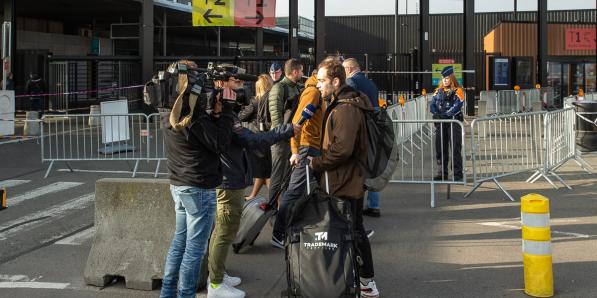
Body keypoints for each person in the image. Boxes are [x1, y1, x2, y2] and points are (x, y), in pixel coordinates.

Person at [207, 66, 301, 298]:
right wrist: (286, 131)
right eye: (235, 83)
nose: (240, 87)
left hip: (231, 178)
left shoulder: (225, 113)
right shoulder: (222, 115)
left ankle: (217, 274)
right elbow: (252, 140)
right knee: (224, 232)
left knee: (225, 231)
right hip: (228, 182)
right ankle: (216, 284)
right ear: (221, 85)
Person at [160, 60, 235, 298]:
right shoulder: (192, 115)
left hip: (179, 184)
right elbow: (219, 143)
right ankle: (185, 295)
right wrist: (228, 112)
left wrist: (213, 114)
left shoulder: (172, 111)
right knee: (194, 250)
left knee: (179, 244)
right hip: (198, 187)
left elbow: (200, 139)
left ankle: (167, 293)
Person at [308, 57, 380, 298]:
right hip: (342, 180)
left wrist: (317, 162)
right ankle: (354, 281)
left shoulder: (346, 108)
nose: (317, 85)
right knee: (349, 232)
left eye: (321, 80)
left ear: (336, 81)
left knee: (354, 233)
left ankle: (366, 283)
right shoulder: (341, 102)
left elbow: (342, 149)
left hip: (345, 182)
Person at [271, 69, 323, 249]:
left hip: (313, 147)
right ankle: (278, 233)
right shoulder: (313, 92)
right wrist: (295, 151)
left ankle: (320, 229)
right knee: (294, 191)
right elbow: (297, 124)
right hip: (307, 147)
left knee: (312, 190)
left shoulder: (317, 91)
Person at [342, 58, 382, 218]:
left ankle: (354, 206)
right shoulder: (370, 83)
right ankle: (374, 205)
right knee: (373, 168)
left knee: (359, 168)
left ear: (350, 69)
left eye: (344, 69)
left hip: (362, 130)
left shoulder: (351, 82)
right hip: (374, 128)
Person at [267, 59, 303, 208]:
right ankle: (272, 210)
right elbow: (275, 117)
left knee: (288, 177)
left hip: (291, 138)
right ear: (294, 72)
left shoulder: (296, 88)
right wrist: (285, 135)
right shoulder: (279, 88)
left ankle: (285, 208)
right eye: (301, 71)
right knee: (277, 177)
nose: (302, 73)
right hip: (280, 140)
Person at [238, 74, 274, 200]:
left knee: (265, 172)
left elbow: (241, 116)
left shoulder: (255, 101)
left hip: (257, 138)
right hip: (269, 137)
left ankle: (277, 201)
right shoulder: (274, 98)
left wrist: (241, 107)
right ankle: (253, 195)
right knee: (262, 171)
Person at [430, 65, 464, 181]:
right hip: (441, 123)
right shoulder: (437, 91)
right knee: (440, 148)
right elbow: (432, 105)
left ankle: (457, 174)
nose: (445, 80)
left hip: (453, 123)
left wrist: (446, 114)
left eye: (447, 78)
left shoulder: (458, 91)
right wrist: (436, 114)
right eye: (443, 78)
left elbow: (458, 105)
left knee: (455, 148)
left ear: (452, 78)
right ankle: (442, 173)